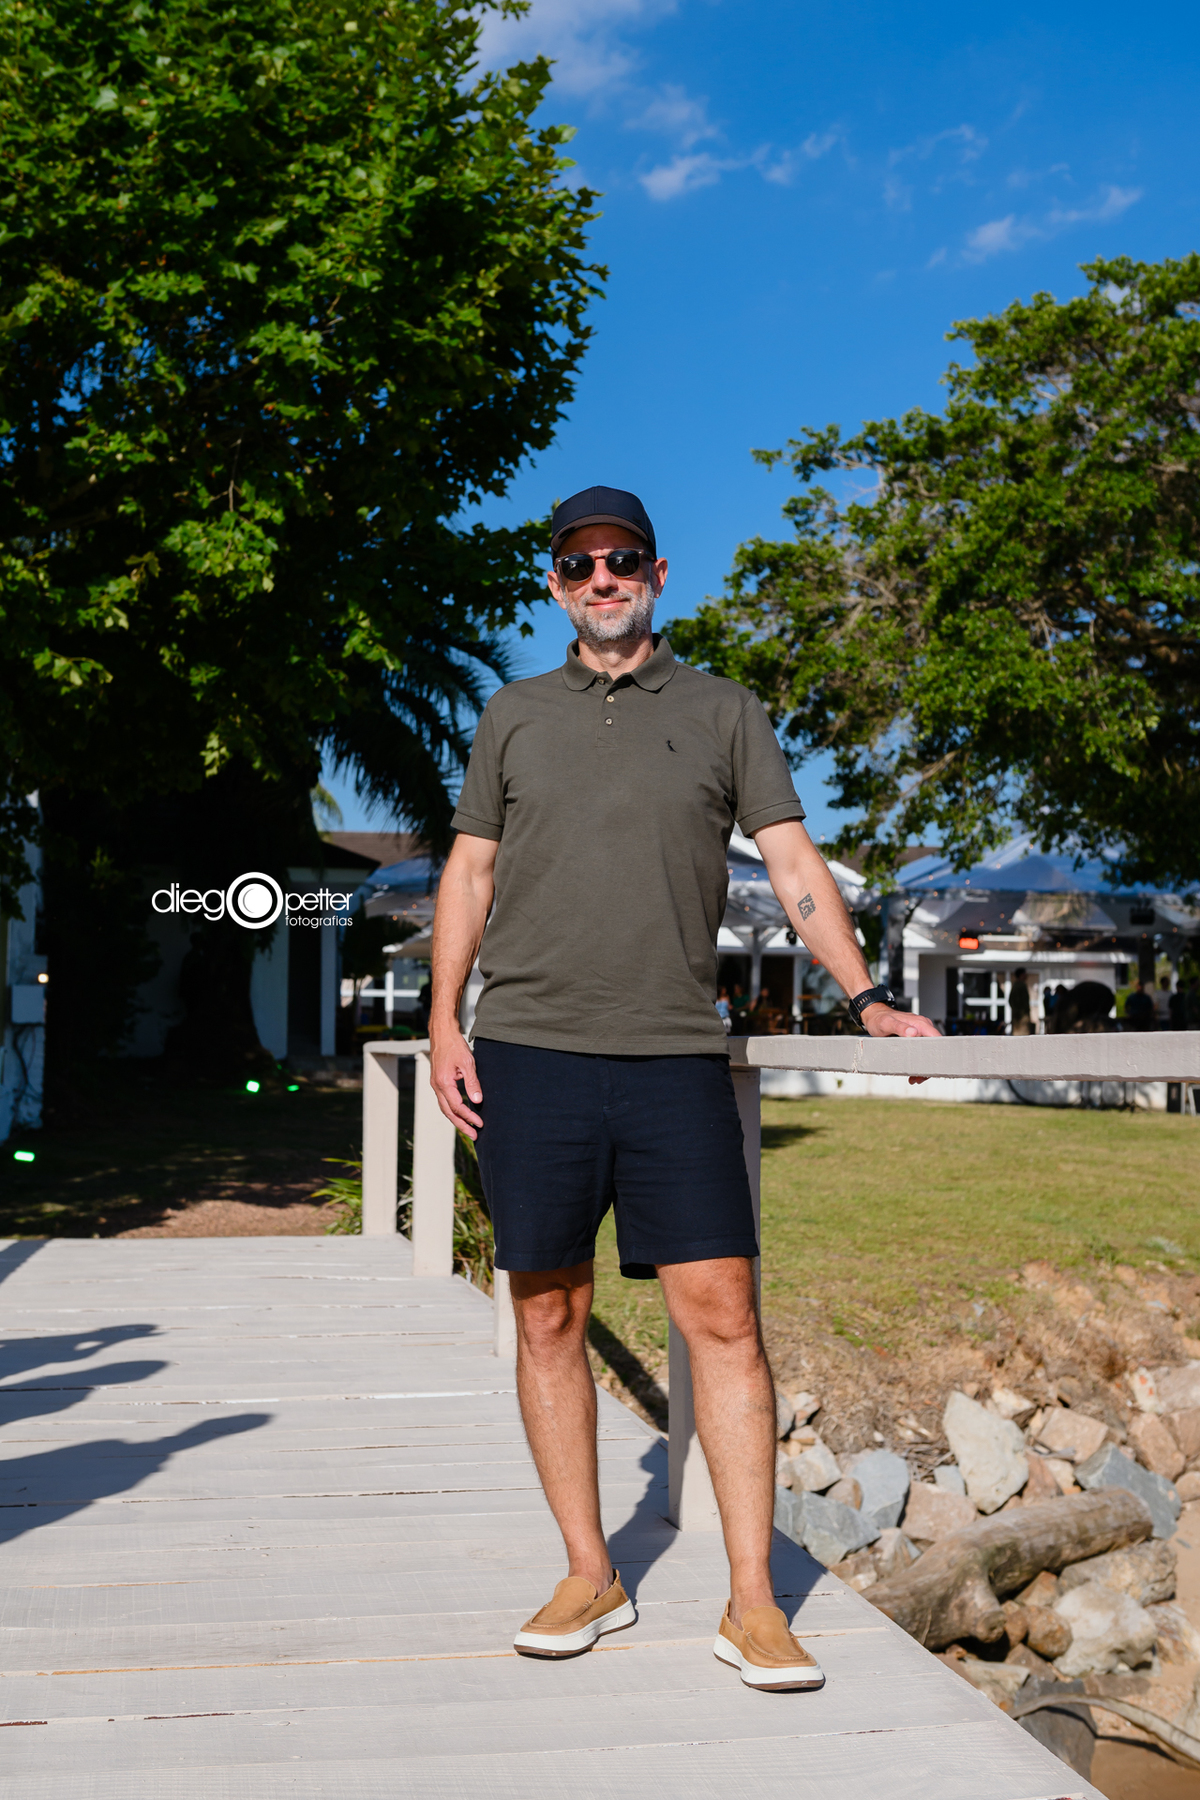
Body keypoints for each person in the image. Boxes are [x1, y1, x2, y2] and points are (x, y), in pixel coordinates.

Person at [428, 485, 940, 1692]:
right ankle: (589, 1572)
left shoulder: (724, 710)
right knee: (547, 1314)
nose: (600, 579)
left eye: (621, 560)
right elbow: (470, 870)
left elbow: (793, 860)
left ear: (658, 574)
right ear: (555, 586)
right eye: (577, 564)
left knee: (724, 1319)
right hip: (530, 1053)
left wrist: (866, 995)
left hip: (673, 1058)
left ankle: (754, 1603)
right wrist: (445, 1019)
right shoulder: (512, 715)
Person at [1008, 968, 1032, 1036]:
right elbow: (1013, 1001)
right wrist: (1021, 1012)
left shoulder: (1016, 985)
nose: (1026, 976)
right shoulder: (1020, 985)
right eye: (1024, 974)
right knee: (1022, 1035)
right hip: (1021, 1017)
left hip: (1019, 1016)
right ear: (1021, 975)